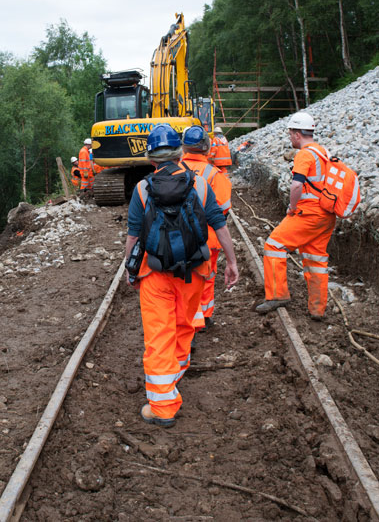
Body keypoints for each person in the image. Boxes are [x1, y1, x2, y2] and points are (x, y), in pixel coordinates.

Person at [124, 124, 239, 427]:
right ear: (179, 154)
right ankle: (174, 376)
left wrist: (130, 270)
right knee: (184, 325)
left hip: (156, 273)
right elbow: (219, 224)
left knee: (158, 335)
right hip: (195, 271)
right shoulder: (200, 184)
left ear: (151, 158)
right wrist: (231, 261)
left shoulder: (142, 189)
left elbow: (133, 238)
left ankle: (162, 406)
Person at [256, 111, 335, 321]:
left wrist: (292, 207)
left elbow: (297, 184)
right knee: (315, 260)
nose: (290, 137)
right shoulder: (323, 152)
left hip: (309, 213)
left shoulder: (305, 154)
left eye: (290, 133)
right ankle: (317, 309)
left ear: (297, 134)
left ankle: (277, 295)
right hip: (326, 215)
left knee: (273, 246)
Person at [179, 125, 232, 332]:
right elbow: (223, 209)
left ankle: (186, 318)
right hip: (208, 238)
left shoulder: (173, 170)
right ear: (207, 147)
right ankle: (205, 317)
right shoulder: (215, 175)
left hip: (177, 236)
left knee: (182, 278)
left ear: (183, 148)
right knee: (207, 277)